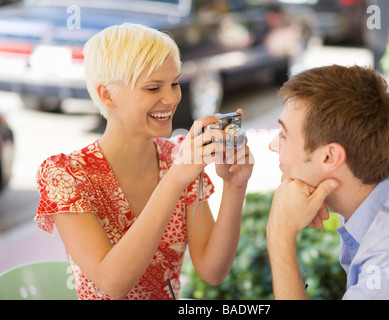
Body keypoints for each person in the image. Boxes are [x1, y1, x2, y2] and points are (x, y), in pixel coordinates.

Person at [35, 23, 253, 300]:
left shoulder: (179, 157)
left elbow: (212, 271)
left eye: (174, 83)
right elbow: (112, 284)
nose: (171, 97)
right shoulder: (67, 175)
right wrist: (175, 179)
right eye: (153, 88)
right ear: (106, 94)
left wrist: (235, 186)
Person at [267, 64, 389, 299]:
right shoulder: (387, 193)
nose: (272, 145)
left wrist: (279, 235)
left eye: (284, 135)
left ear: (329, 157)